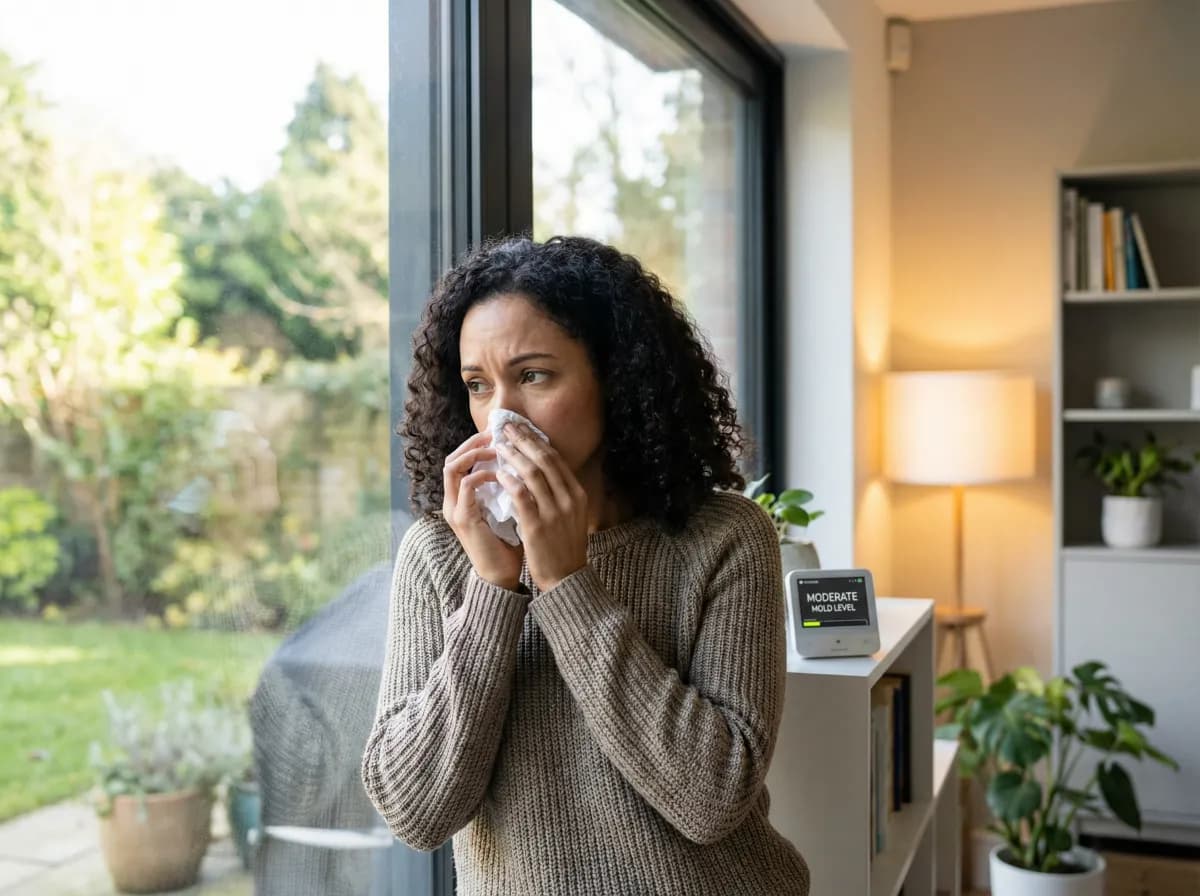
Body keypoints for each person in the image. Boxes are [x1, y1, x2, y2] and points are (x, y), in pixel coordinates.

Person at [360, 235, 810, 895]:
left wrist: (568, 583)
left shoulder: (725, 537)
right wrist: (493, 588)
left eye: (534, 375)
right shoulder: (441, 552)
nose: (501, 416)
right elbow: (416, 810)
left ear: (616, 377)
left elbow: (712, 798)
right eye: (478, 386)